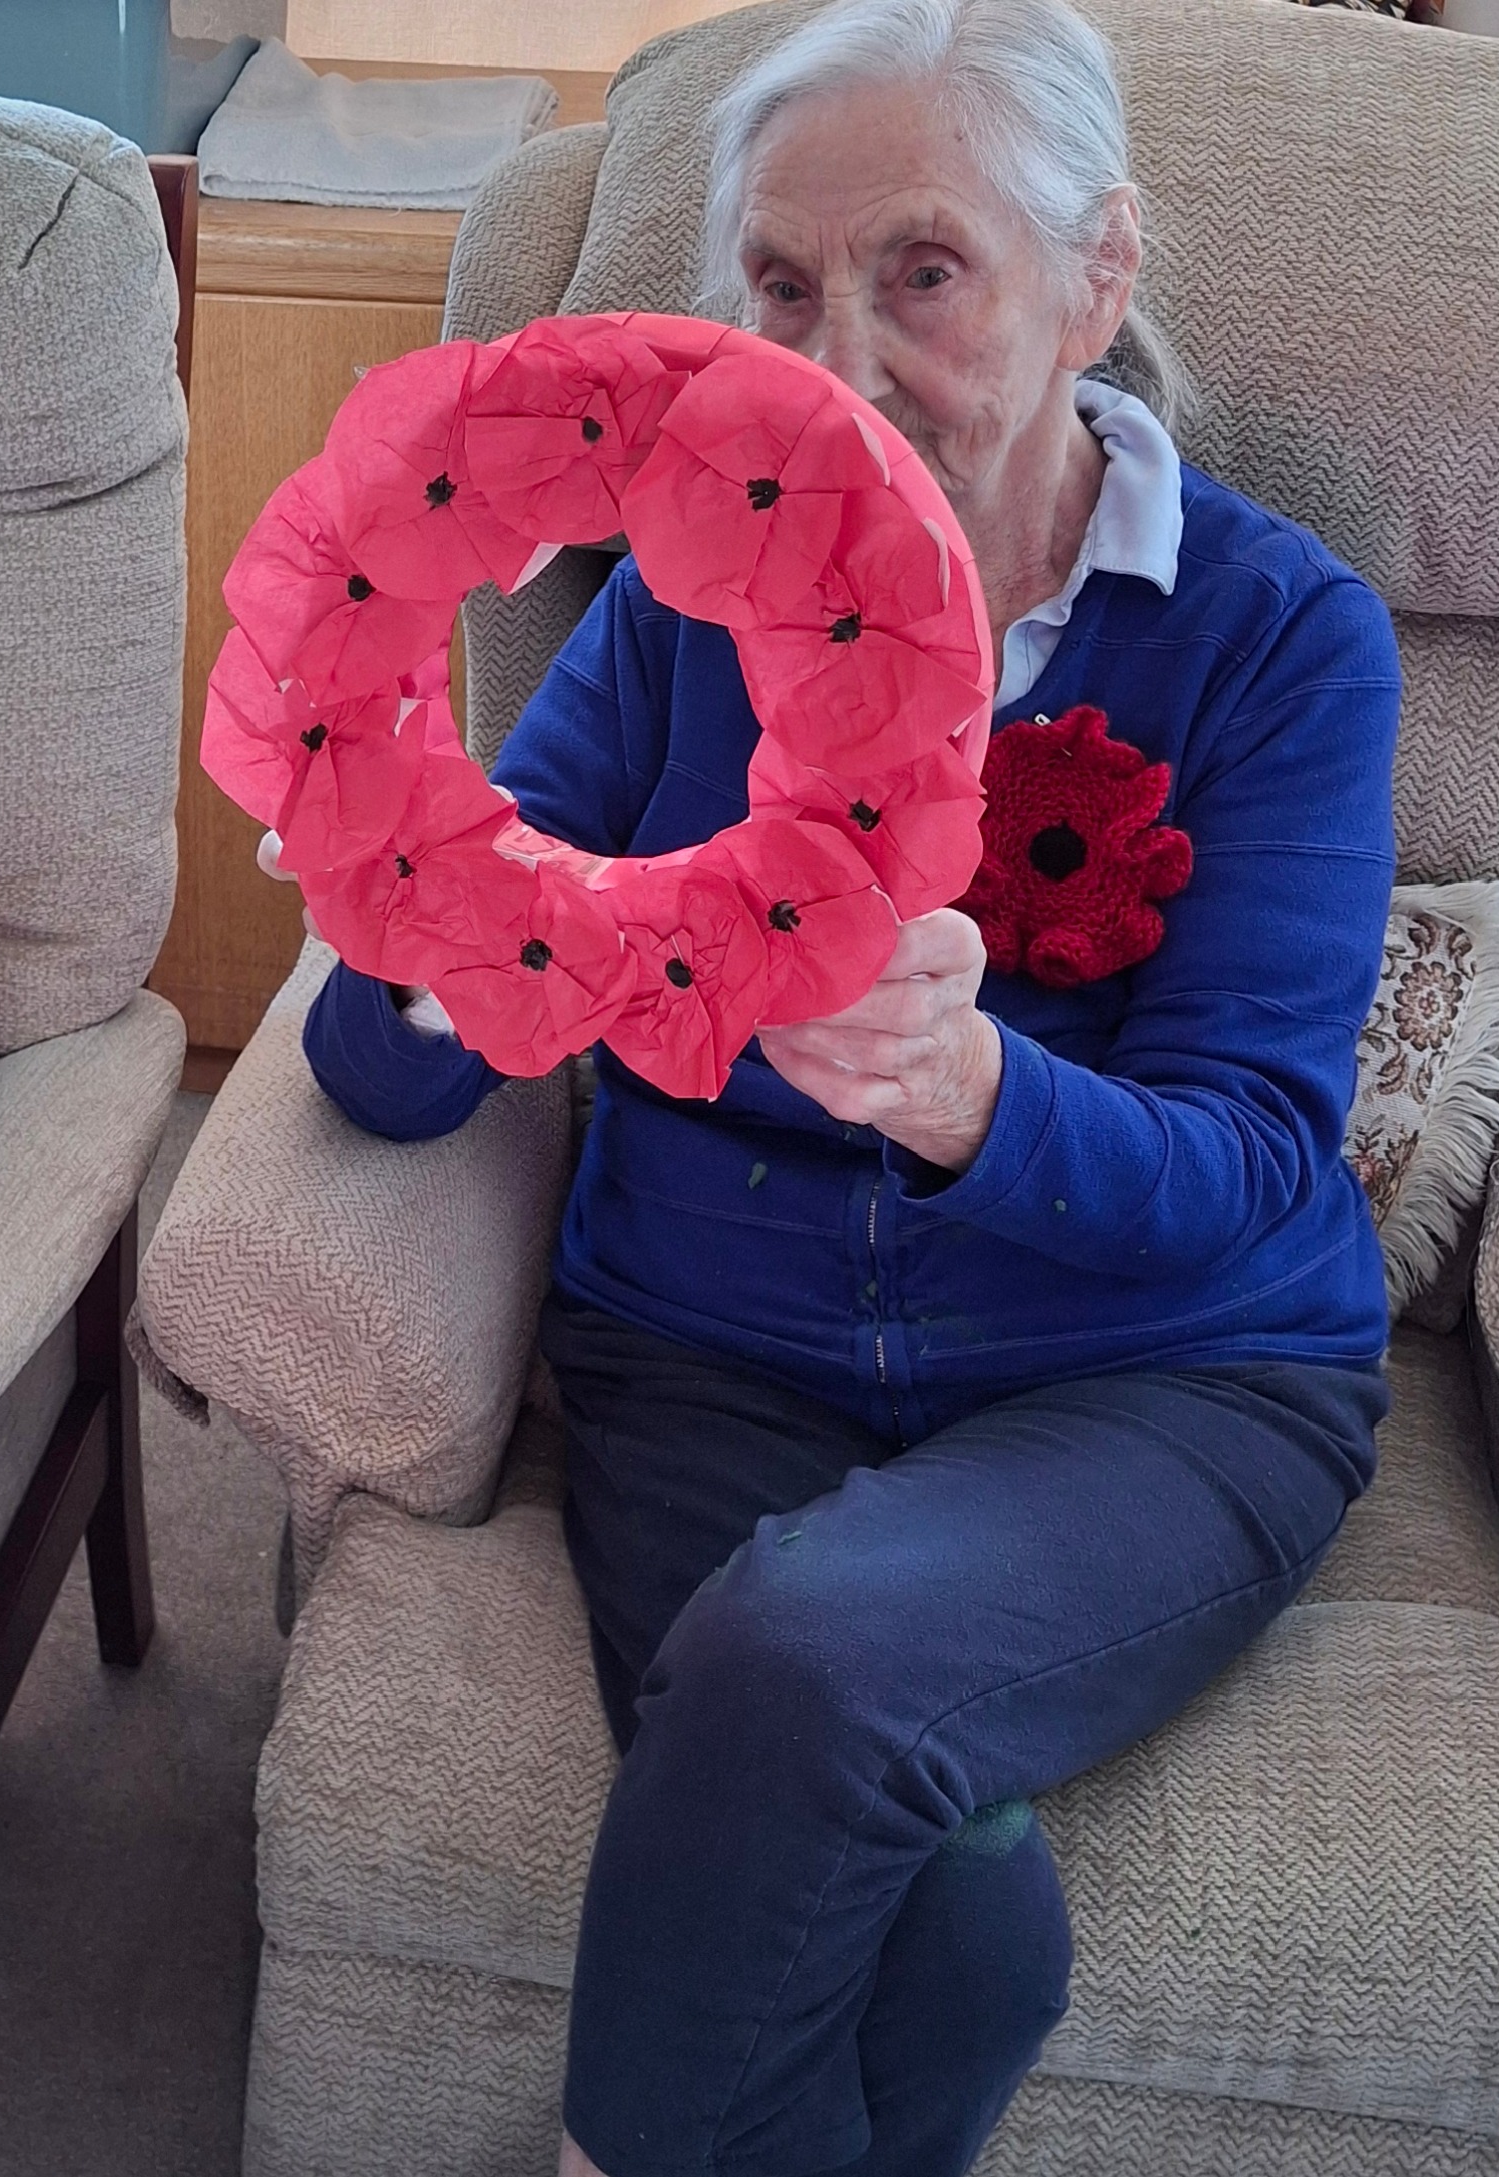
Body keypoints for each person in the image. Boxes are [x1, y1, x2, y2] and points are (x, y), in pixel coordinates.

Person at [298, 2, 1398, 2172]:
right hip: (717, 1352)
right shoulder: (680, 610)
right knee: (967, 1956)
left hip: (1163, 1383)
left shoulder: (1284, 640)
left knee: (804, 1661)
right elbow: (381, 1082)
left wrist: (973, 1091)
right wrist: (417, 908)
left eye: (926, 269)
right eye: (784, 290)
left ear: (1100, 275)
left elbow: (1262, 1169)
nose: (845, 359)